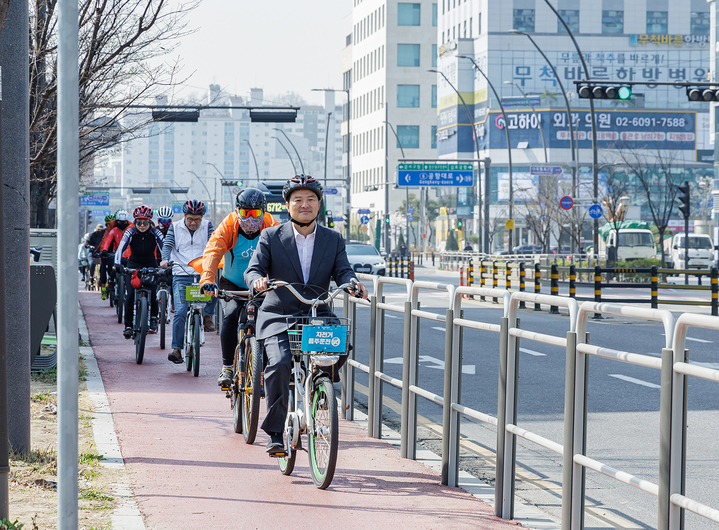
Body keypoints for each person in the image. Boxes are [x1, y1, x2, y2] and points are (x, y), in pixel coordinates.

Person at [244, 175, 368, 455]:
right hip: (278, 315)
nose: (304, 204)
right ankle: (276, 433)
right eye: (298, 199)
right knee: (280, 363)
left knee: (341, 344)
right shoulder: (270, 236)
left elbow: (343, 271)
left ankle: (320, 388)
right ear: (287, 206)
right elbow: (253, 269)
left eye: (311, 199)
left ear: (319, 204)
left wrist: (353, 284)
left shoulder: (332, 239)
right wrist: (257, 281)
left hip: (317, 313)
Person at [198, 188, 280, 385]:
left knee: (267, 321)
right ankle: (227, 367)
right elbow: (213, 251)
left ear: (264, 211)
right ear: (237, 211)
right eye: (245, 213)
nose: (250, 218)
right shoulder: (229, 224)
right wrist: (208, 280)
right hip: (232, 283)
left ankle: (263, 368)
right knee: (231, 315)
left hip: (261, 284)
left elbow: (286, 252)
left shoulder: (272, 225)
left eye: (255, 213)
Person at [160, 199, 218, 364]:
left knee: (216, 287)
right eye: (190, 219)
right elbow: (168, 245)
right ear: (184, 216)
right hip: (181, 273)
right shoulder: (175, 227)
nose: (194, 223)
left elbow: (215, 244)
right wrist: (165, 259)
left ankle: (208, 316)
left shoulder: (207, 226)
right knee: (179, 312)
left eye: (197, 219)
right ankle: (177, 349)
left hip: (202, 272)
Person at [114, 205, 164, 339]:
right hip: (133, 263)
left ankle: (153, 318)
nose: (142, 225)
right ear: (135, 222)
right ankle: (128, 326)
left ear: (150, 222)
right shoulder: (129, 232)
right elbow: (120, 248)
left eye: (145, 222)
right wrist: (117, 264)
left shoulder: (156, 232)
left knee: (153, 293)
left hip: (150, 264)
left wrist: (166, 263)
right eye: (139, 222)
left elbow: (164, 249)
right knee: (129, 295)